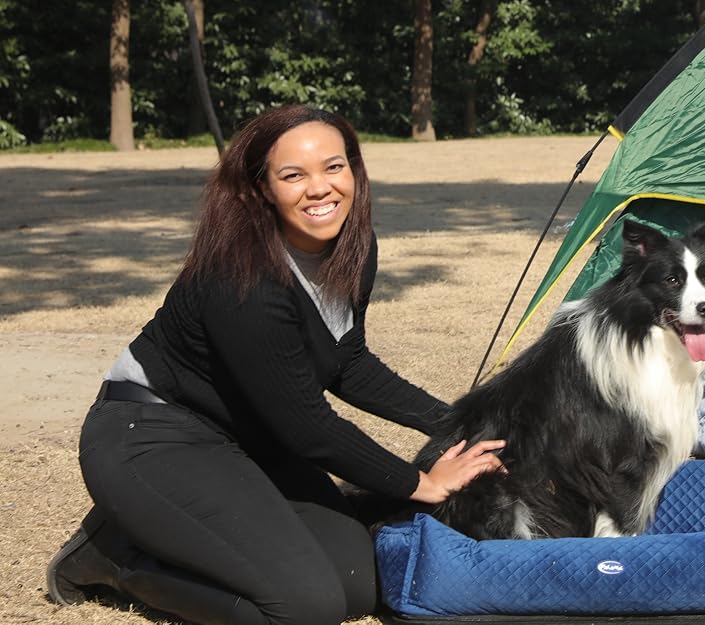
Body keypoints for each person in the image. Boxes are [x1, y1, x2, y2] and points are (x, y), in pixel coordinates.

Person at [44, 104, 504, 625]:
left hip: (251, 440)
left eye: (334, 166)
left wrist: (457, 422)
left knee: (356, 587)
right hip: (151, 435)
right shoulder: (243, 280)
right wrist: (421, 482)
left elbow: (349, 363)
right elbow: (310, 429)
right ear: (262, 188)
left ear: (354, 168)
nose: (321, 189)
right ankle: (113, 557)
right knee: (304, 607)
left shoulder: (353, 248)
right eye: (294, 175)